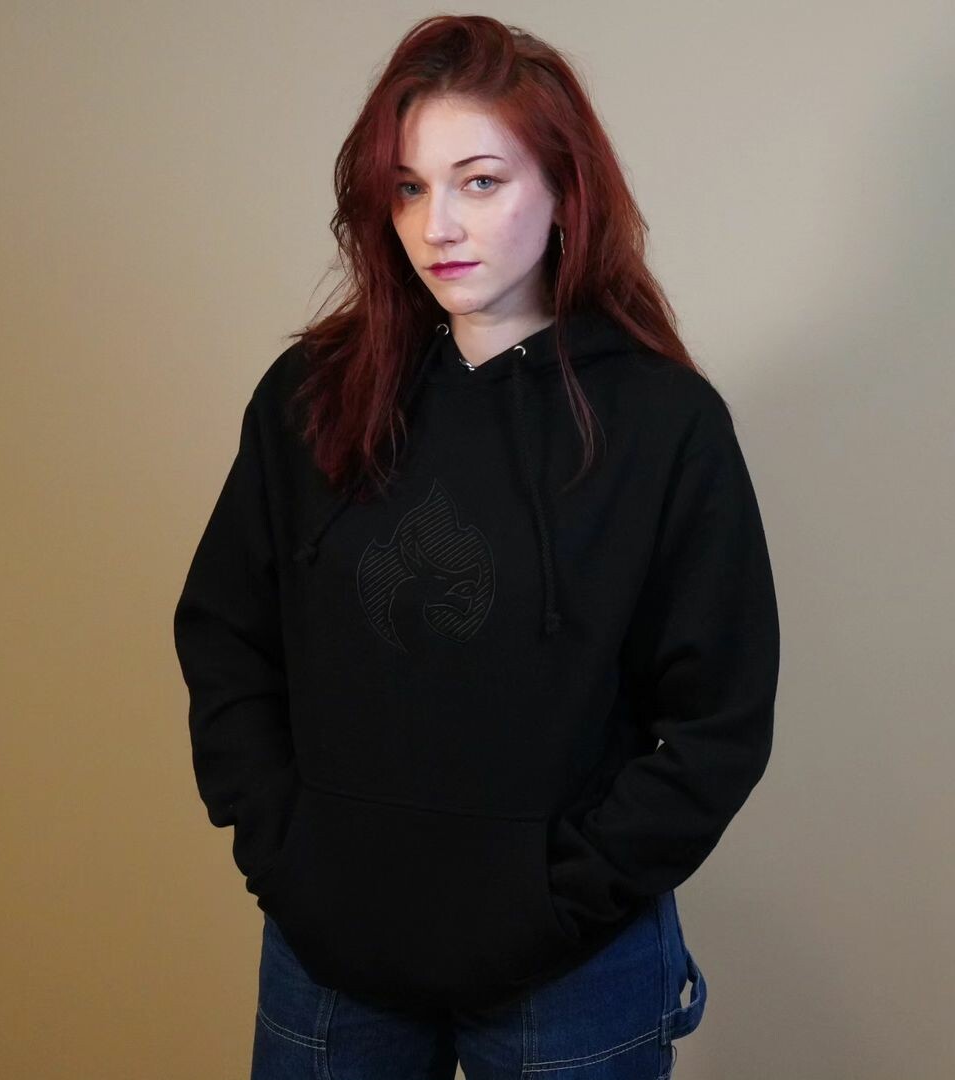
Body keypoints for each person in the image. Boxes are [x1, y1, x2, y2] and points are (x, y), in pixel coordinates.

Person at [172, 13, 780, 1079]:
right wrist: (287, 854)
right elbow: (225, 634)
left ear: (566, 190)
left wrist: (563, 895)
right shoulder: (311, 398)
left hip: (570, 967)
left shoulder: (664, 423)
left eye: (481, 182)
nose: (437, 225)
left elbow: (719, 719)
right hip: (331, 949)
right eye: (408, 188)